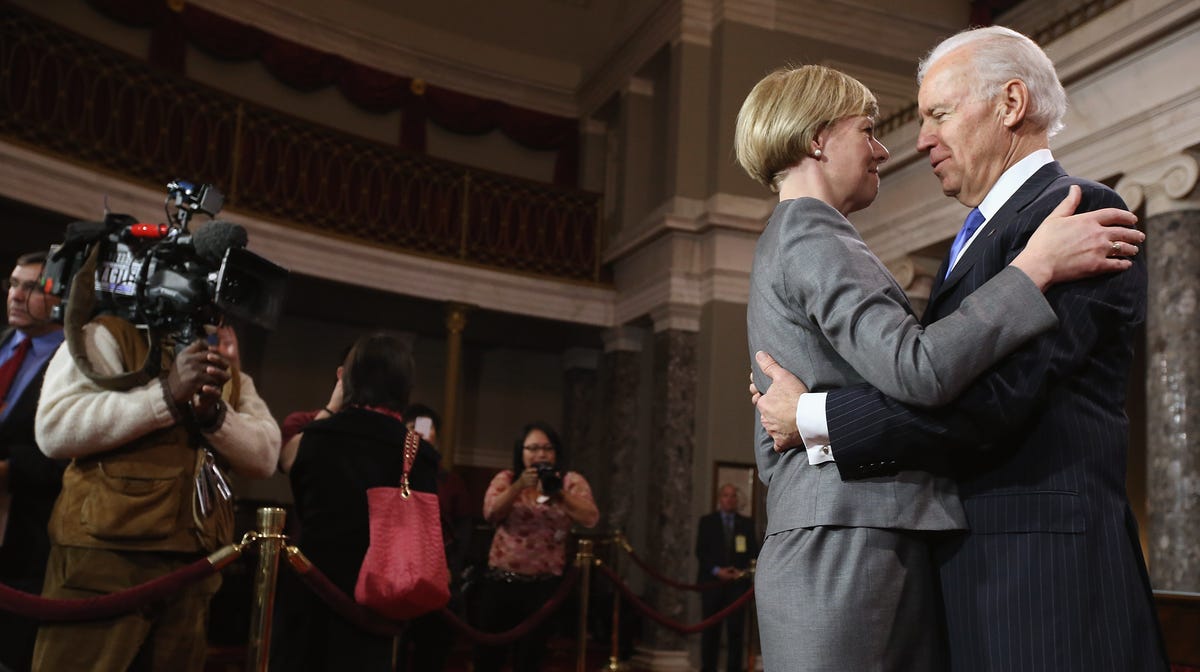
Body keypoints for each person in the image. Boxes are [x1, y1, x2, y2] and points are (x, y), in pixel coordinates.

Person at [751, 27, 1167, 672]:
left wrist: (813, 418)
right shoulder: (978, 239)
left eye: (938, 114)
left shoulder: (1077, 215)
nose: (917, 142)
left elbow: (995, 402)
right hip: (971, 570)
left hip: (1044, 579)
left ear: (1009, 103)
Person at [32, 305, 278, 672]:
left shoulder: (224, 366)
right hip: (102, 562)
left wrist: (214, 417)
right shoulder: (109, 334)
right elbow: (54, 428)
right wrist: (166, 395)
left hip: (191, 567)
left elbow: (265, 456)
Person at [271, 333, 439, 672]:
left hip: (312, 588)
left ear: (349, 378)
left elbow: (300, 491)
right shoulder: (421, 453)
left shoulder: (318, 437)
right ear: (405, 386)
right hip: (382, 596)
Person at [474, 422, 599, 672]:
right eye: (532, 448)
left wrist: (559, 494)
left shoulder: (570, 481)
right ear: (521, 452)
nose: (540, 455)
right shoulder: (507, 478)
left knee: (531, 657)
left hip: (545, 585)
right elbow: (490, 513)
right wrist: (519, 486)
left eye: (547, 448)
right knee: (489, 657)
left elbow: (590, 518)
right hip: (502, 581)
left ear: (556, 453)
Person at [0, 252, 65, 671]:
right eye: (12, 283)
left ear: (60, 297)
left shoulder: (73, 361)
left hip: (27, 541)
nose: (16, 296)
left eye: (30, 287)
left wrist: (7, 470)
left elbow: (63, 453)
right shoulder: (4, 342)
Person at [395, 402, 471, 672]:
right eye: (413, 427)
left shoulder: (449, 481)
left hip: (439, 575)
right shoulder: (391, 472)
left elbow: (462, 530)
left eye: (427, 428)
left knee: (433, 650)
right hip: (396, 574)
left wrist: (451, 567)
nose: (420, 433)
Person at [694, 484, 756, 672]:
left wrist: (741, 572)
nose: (729, 499)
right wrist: (717, 571)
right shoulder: (707, 521)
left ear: (737, 500)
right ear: (719, 499)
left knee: (735, 633)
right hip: (712, 584)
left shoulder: (746, 524)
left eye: (732, 496)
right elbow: (700, 552)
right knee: (710, 633)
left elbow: (753, 551)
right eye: (725, 495)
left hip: (737, 587)